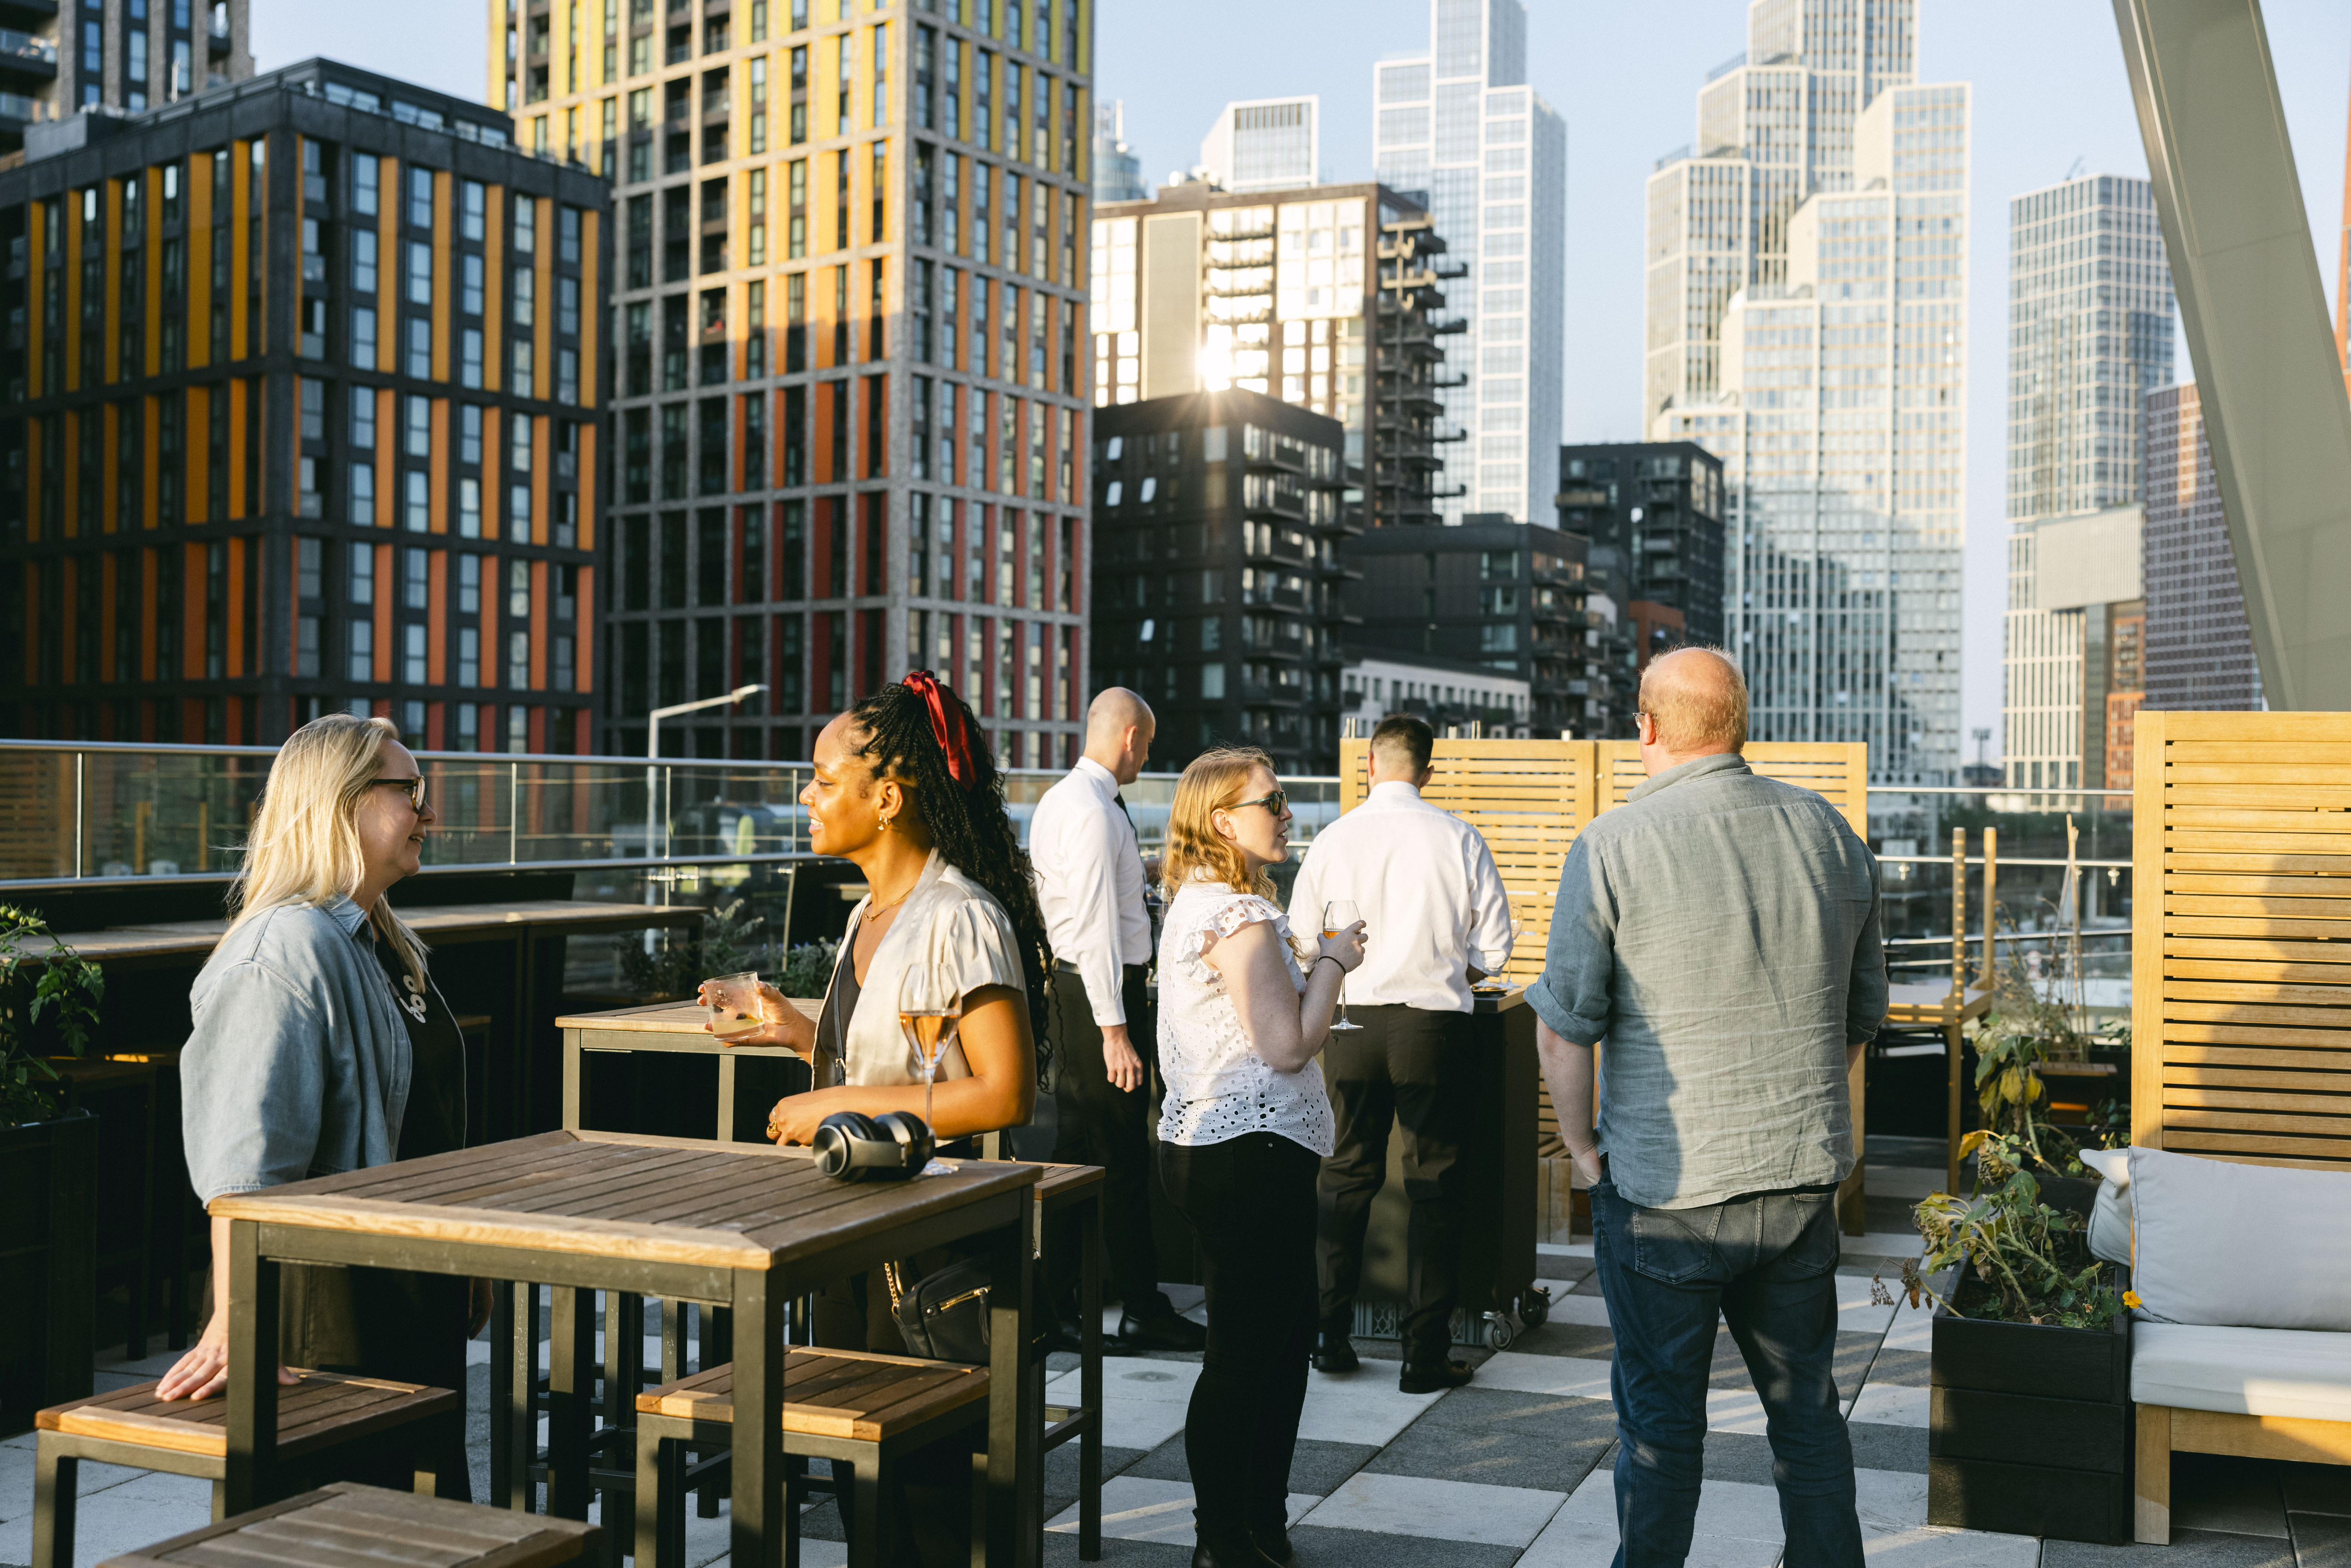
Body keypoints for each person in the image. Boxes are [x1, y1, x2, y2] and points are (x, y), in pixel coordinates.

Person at [1528, 648, 1886, 1568]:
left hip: (1661, 1191)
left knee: (1659, 1429)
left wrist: (1581, 1153)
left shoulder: (1610, 844)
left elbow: (1564, 1032)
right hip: (1796, 1182)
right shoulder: (1829, 834)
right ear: (1736, 724)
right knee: (1807, 1421)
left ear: (1645, 726)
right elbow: (1857, 1023)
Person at [159, 714, 486, 1498]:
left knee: (423, 1534)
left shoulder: (378, 939)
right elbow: (243, 1167)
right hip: (326, 1311)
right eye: (410, 791)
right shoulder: (282, 953)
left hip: (401, 1288)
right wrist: (242, 1318)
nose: (428, 812)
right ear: (342, 803)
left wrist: (467, 1263)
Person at [705, 673, 1051, 1301]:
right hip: (857, 1215)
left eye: (826, 781)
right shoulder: (867, 913)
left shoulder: (960, 916)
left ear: (888, 800)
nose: (807, 796)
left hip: (929, 1238)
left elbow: (1006, 1095)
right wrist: (804, 1037)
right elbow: (902, 1070)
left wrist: (838, 1106)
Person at [1156, 748, 1364, 1568]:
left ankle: (1250, 1529)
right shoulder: (1238, 915)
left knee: (1260, 1346)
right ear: (1222, 821)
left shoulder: (1199, 903)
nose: (1286, 814)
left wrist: (1308, 964)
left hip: (1215, 1146)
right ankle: (1232, 1536)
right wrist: (1336, 965)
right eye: (1271, 802)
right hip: (1252, 1153)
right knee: (1257, 1353)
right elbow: (1287, 1045)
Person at [1290, 713, 1513, 1392]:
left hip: (1351, 1022)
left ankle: (1329, 1337)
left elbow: (1302, 941)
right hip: (1431, 1026)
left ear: (1369, 767)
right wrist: (1446, 973)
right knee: (1435, 1187)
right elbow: (1495, 950)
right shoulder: (1458, 837)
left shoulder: (1332, 838)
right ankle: (1423, 1355)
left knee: (1343, 1177)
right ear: (1429, 770)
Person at [1029, 688, 1205, 1353]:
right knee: (1120, 1160)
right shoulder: (1098, 815)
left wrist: (1142, 873)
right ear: (1130, 737)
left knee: (1080, 1158)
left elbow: (1082, 902)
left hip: (1077, 992)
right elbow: (1098, 928)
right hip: (1102, 997)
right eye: (1149, 745)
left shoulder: (1062, 801)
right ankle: (1137, 1306)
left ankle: (1061, 1305)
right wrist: (1115, 1032)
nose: (1149, 756)